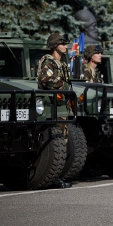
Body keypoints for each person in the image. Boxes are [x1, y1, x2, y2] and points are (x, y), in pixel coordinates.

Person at [36, 32, 74, 189]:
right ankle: (52, 177)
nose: (65, 46)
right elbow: (48, 80)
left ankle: (56, 175)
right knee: (56, 141)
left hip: (61, 107)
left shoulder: (60, 63)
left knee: (62, 140)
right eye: (62, 44)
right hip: (51, 107)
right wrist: (65, 87)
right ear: (54, 45)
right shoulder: (49, 62)